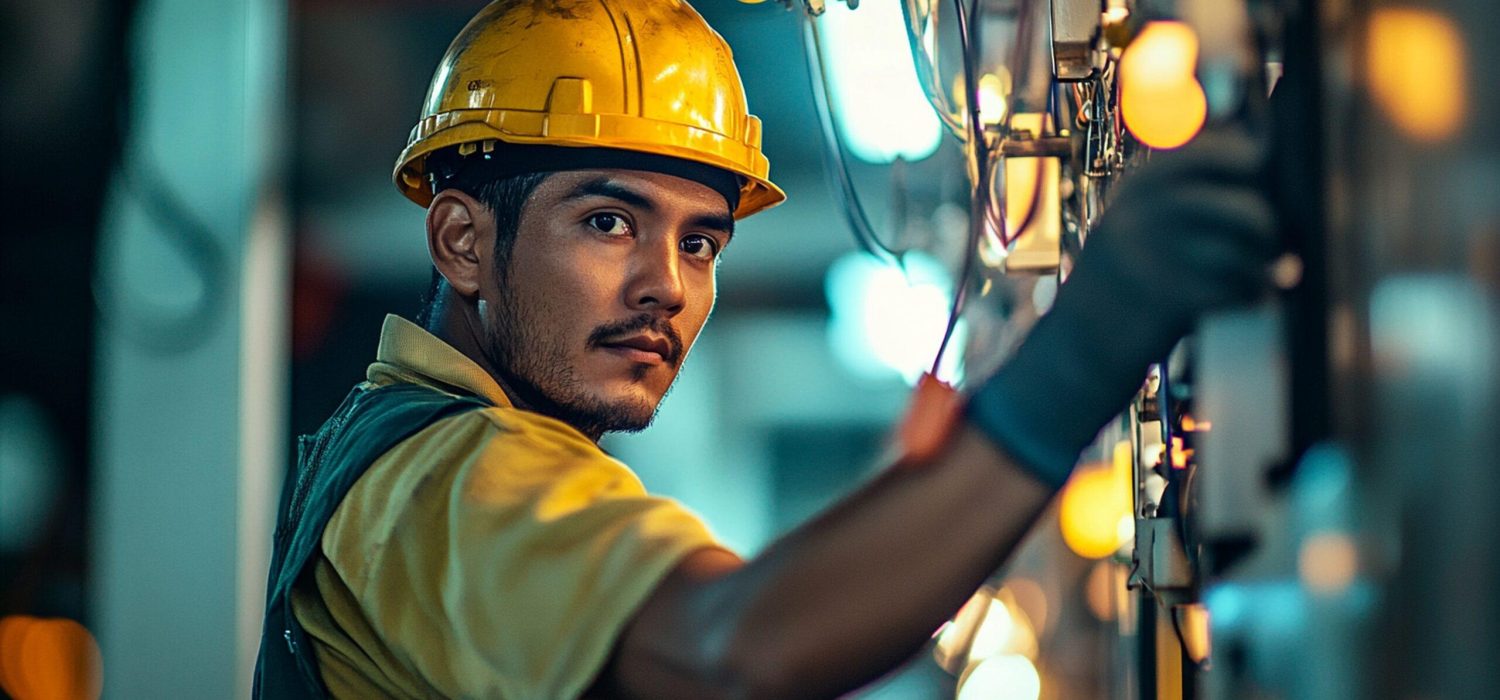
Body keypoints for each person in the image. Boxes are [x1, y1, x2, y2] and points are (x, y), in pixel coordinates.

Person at [255, 1, 1277, 698]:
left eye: (699, 240)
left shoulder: (397, 456)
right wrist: (1085, 353)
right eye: (609, 221)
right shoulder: (444, 482)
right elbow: (730, 650)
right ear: (464, 240)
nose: (667, 285)